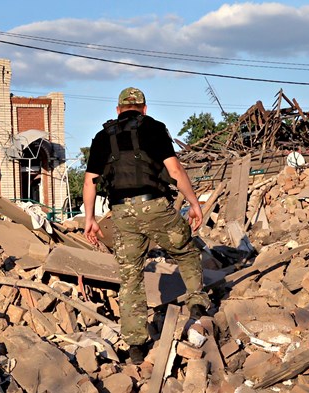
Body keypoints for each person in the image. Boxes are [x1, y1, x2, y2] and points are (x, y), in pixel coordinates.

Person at [82, 87, 211, 365]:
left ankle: (136, 346)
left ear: (118, 110)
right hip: (155, 207)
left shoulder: (103, 137)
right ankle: (197, 303)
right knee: (186, 250)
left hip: (121, 214)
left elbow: (90, 181)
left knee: (130, 276)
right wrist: (195, 203)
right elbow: (175, 171)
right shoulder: (154, 128)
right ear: (144, 108)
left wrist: (90, 219)